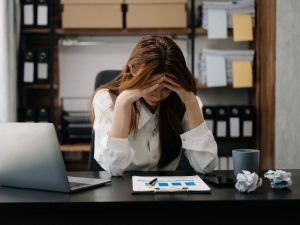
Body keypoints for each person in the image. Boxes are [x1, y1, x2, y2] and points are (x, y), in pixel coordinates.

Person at [91, 35, 218, 176]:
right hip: (123, 192)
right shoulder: (108, 100)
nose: (157, 96)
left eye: (166, 88)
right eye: (150, 86)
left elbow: (206, 166)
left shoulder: (184, 102)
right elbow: (113, 168)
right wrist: (122, 103)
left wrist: (191, 102)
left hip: (168, 193)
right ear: (132, 69)